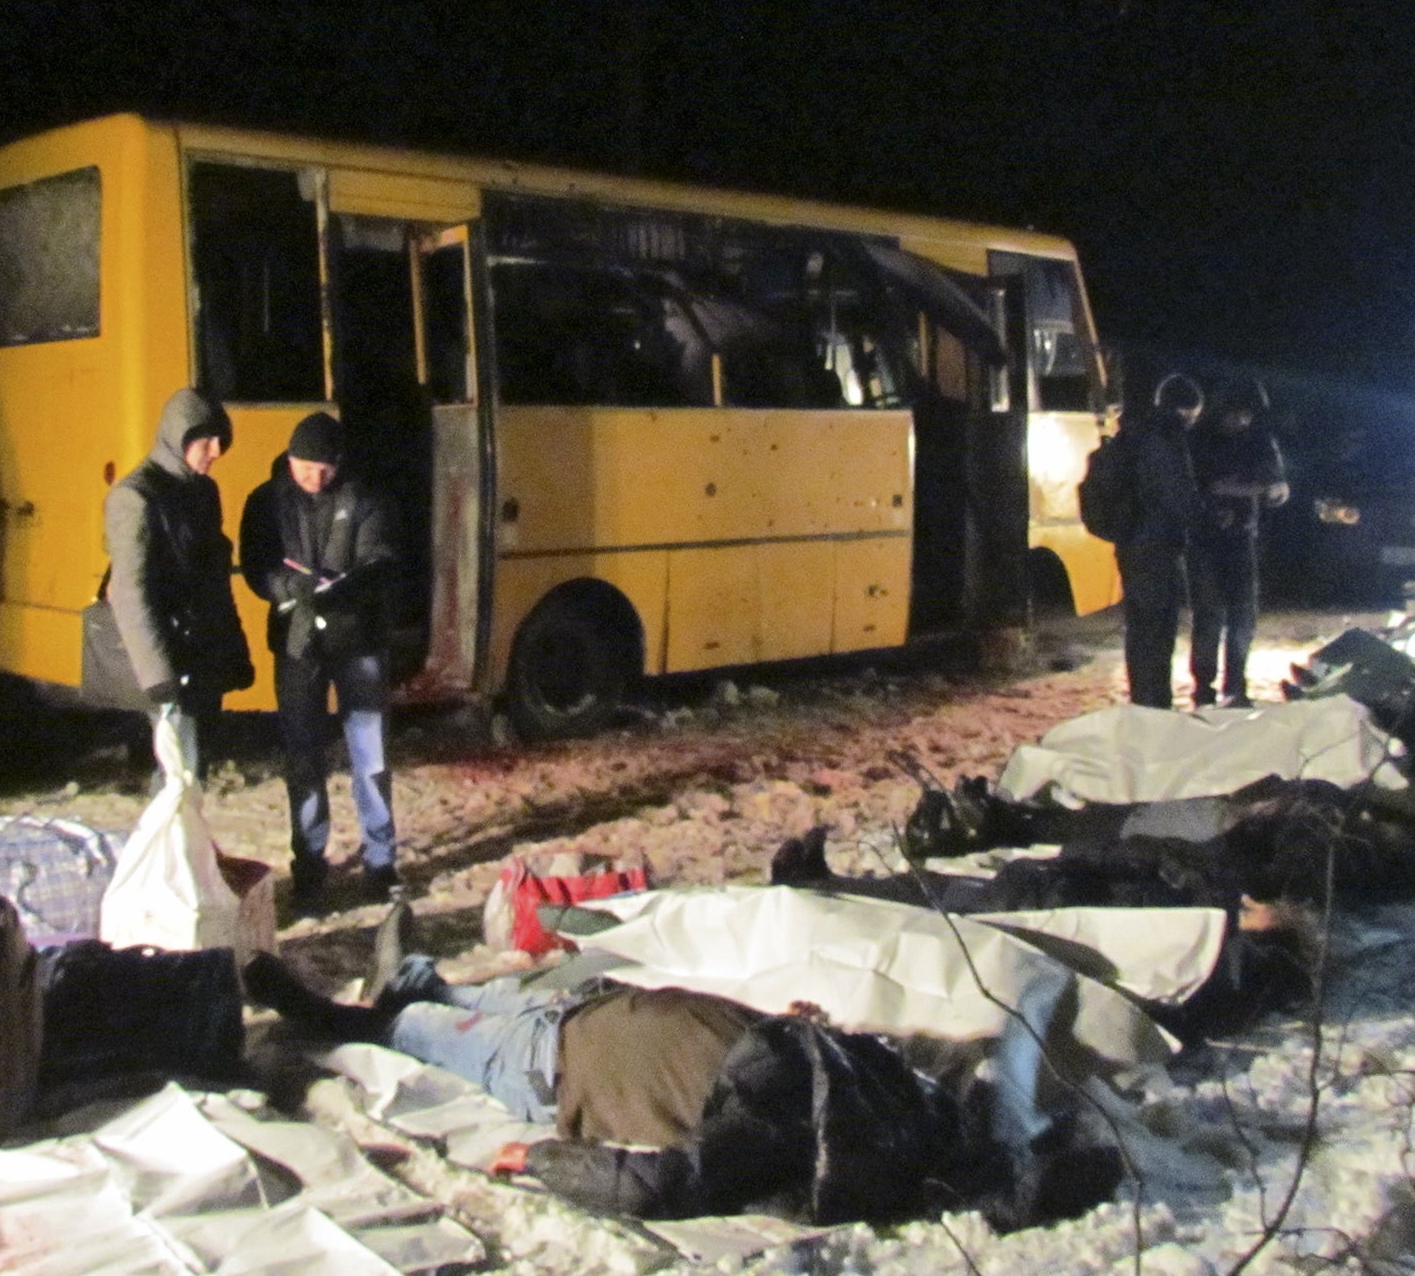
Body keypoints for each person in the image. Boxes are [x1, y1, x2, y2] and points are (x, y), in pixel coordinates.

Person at [238, 944, 1106, 1228]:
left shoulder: (782, 1121)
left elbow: (658, 1184)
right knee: (452, 990)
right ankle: (411, 981)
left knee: (416, 1027)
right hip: (590, 1011)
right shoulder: (846, 1083)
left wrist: (539, 1157)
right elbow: (1014, 1028)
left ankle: (323, 1013)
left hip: (548, 1069)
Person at [240, 413, 402, 910]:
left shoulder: (366, 495)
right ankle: (309, 862)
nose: (315, 479)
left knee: (370, 755)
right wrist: (287, 587)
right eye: (306, 468)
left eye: (325, 470)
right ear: (290, 460)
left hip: (359, 641)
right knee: (303, 755)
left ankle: (381, 860)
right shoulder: (265, 500)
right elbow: (255, 564)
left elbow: (381, 557)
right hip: (296, 643)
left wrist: (348, 586)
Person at [102, 387, 254, 779]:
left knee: (194, 771)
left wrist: (233, 652)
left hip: (203, 657)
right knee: (176, 775)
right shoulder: (136, 497)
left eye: (222, 440)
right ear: (178, 438)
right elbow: (129, 593)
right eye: (206, 441)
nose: (217, 451)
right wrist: (159, 678)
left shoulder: (204, 492)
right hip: (169, 663)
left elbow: (215, 583)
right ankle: (163, 843)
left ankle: (188, 843)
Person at [1188, 379, 1289, 708]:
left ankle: (1235, 685)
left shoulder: (1259, 441)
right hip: (1206, 539)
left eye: (1247, 416)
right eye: (1237, 414)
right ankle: (1204, 686)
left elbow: (1277, 486)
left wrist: (1264, 488)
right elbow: (1206, 487)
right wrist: (1253, 489)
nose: (1242, 421)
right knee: (1209, 616)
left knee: (1242, 616)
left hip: (1242, 537)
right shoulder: (1201, 440)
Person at [1114, 372, 1204, 709]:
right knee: (1158, 630)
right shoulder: (1166, 438)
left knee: (1139, 629)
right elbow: (1177, 496)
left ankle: (1143, 700)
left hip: (1130, 543)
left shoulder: (1134, 432)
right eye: (1194, 416)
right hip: (1157, 546)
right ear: (1185, 410)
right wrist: (1201, 520)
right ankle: (1155, 704)